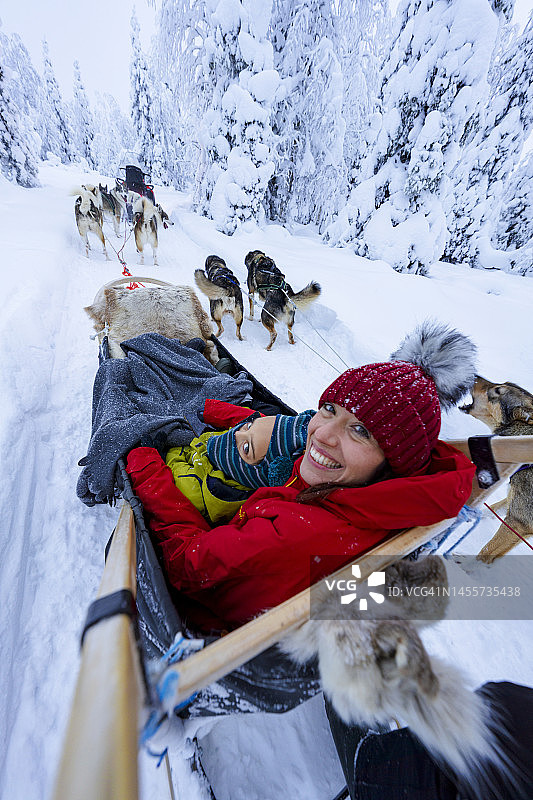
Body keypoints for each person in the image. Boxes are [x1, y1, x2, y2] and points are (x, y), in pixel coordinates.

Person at [126, 321, 478, 633]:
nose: (321, 434)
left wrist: (144, 463)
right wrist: (215, 412)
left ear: (393, 462)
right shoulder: (353, 489)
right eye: (329, 409)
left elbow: (186, 564)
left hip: (205, 609)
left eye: (360, 431)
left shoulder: (297, 532)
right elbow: (277, 428)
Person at [160, 401, 315, 523]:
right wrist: (213, 409)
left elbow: (173, 463)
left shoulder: (205, 491)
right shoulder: (237, 446)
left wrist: (173, 446)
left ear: (252, 473)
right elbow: (253, 419)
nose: (236, 434)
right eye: (249, 426)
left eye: (247, 448)